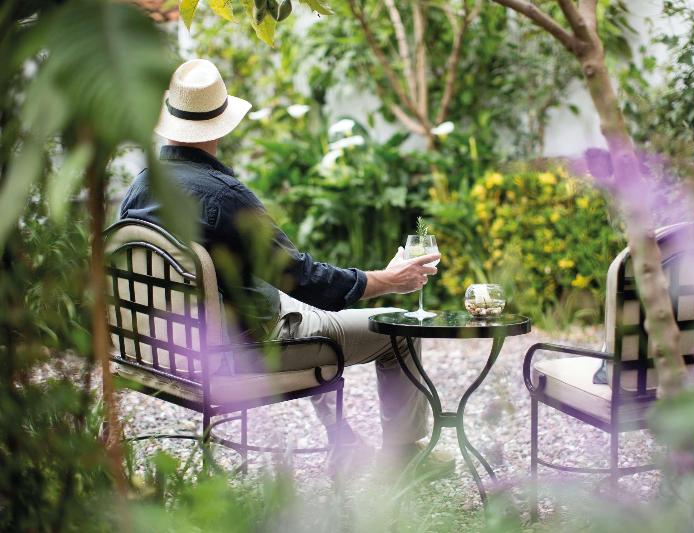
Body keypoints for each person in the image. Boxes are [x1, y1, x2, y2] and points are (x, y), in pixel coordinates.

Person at [119, 59, 453, 477]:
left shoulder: (139, 188)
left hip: (163, 351)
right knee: (398, 329)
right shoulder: (224, 197)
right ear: (220, 127)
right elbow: (306, 280)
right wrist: (389, 281)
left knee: (297, 312)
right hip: (239, 354)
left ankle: (342, 440)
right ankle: (407, 456)